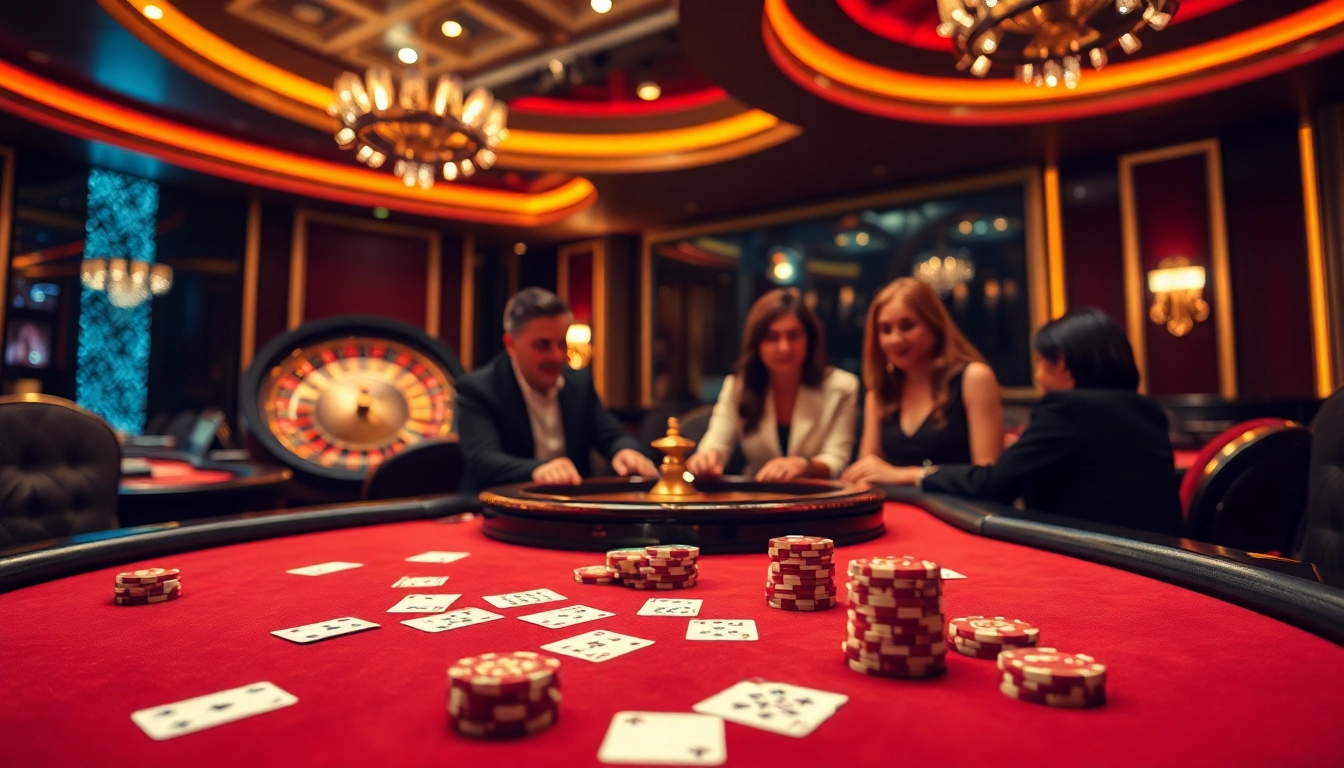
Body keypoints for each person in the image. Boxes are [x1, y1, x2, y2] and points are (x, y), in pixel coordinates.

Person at [912, 308, 1184, 537]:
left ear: (1062, 363)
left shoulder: (1066, 409)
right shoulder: (1147, 410)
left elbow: (993, 485)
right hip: (1162, 557)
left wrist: (918, 474)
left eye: (1040, 363)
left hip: (1103, 561)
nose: (1038, 376)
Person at [455, 287, 658, 491]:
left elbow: (613, 435)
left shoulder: (579, 382)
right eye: (542, 345)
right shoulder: (477, 389)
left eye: (562, 344)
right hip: (497, 509)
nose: (557, 356)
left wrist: (625, 451)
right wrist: (538, 470)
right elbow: (483, 460)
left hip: (568, 510)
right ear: (510, 344)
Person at [841, 278, 1003, 487]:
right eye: (885, 330)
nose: (895, 339)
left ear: (934, 326)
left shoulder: (974, 377)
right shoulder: (880, 390)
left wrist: (903, 475)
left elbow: (988, 475)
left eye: (907, 326)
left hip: (961, 513)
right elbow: (868, 471)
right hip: (898, 511)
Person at [685, 289, 859, 482]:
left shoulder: (843, 387)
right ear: (757, 343)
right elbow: (716, 445)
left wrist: (804, 465)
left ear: (809, 340)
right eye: (772, 337)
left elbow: (837, 459)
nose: (784, 347)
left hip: (818, 499)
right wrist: (706, 459)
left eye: (793, 336)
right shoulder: (738, 387)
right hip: (759, 499)